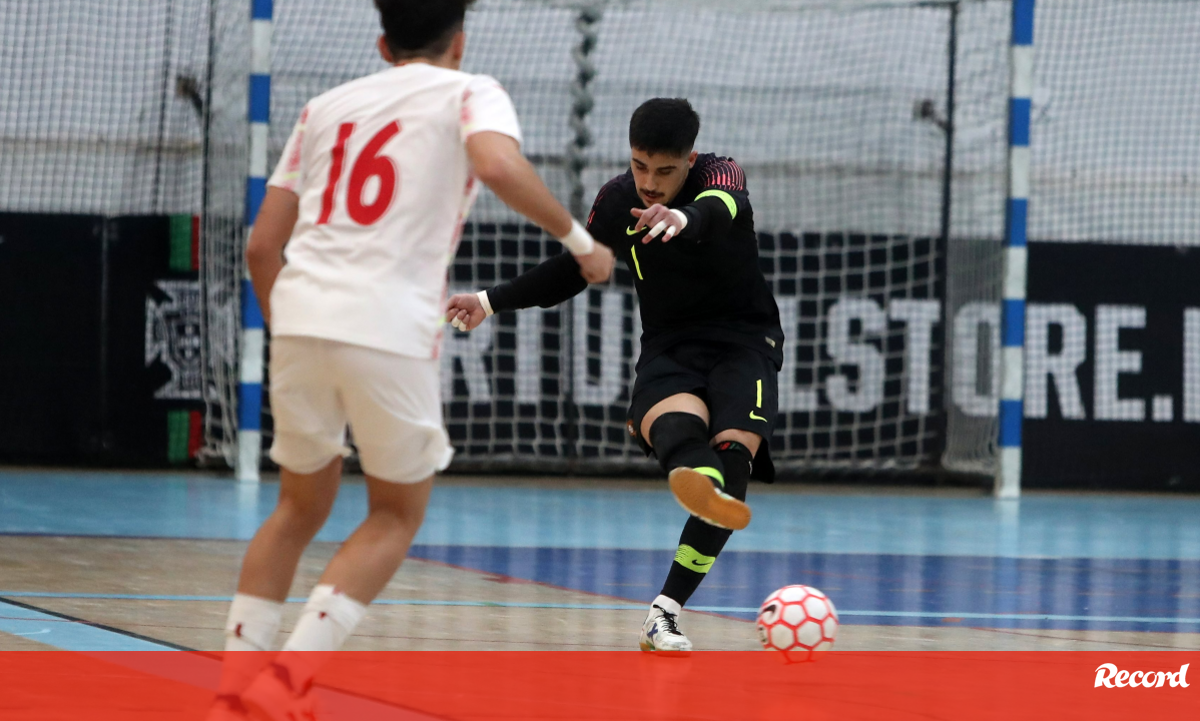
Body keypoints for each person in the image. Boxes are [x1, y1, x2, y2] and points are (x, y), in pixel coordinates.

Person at [208, 1, 614, 718]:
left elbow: (261, 247)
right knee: (395, 514)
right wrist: (581, 243)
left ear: (382, 42)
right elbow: (496, 162)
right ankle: (285, 684)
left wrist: (293, 330)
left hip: (299, 317)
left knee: (296, 508)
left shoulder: (324, 108)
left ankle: (233, 692)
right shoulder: (471, 91)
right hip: (388, 325)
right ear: (460, 41)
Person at [446, 98, 783, 654]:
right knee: (676, 427)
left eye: (665, 171)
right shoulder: (618, 200)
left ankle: (665, 611)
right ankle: (701, 481)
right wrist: (489, 300)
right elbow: (572, 271)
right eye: (639, 166)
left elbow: (723, 204)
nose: (650, 183)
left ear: (689, 160)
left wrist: (681, 217)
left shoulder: (719, 175)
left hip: (744, 342)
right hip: (671, 346)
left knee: (734, 456)